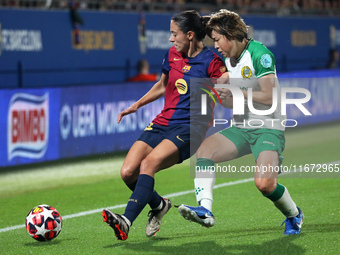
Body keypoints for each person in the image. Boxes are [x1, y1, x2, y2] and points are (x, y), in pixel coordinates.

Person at [102, 10, 227, 241]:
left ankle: (126, 221)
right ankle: (160, 205)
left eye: (174, 33)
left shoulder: (212, 61)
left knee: (148, 164)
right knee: (128, 172)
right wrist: (137, 105)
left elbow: (226, 88)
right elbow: (162, 85)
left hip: (190, 128)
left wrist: (225, 87)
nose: (171, 39)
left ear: (189, 35)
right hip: (163, 122)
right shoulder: (172, 54)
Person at [178, 9, 304, 235]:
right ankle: (205, 210)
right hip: (241, 128)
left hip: (268, 129)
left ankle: (294, 214)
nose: (215, 45)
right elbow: (232, 103)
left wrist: (238, 91)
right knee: (204, 150)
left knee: (265, 185)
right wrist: (226, 98)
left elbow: (269, 96)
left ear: (230, 34)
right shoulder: (227, 60)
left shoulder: (260, 54)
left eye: (217, 40)